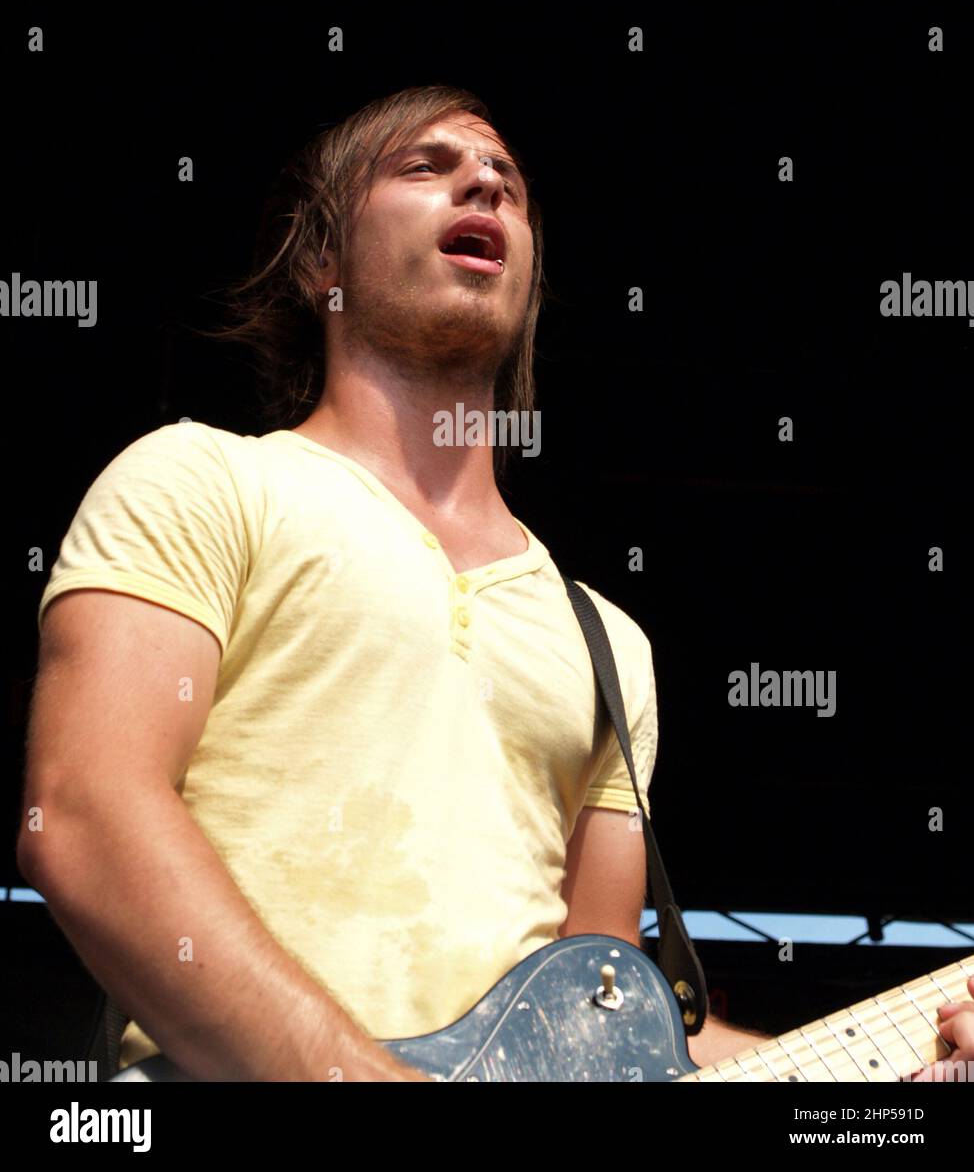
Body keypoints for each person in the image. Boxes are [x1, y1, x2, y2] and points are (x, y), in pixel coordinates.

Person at [19, 84, 972, 1082]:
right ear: (321, 262)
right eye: (422, 167)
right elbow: (84, 812)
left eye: (507, 186)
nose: (482, 179)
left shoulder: (607, 645)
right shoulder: (201, 482)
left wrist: (882, 1076)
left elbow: (602, 1039)